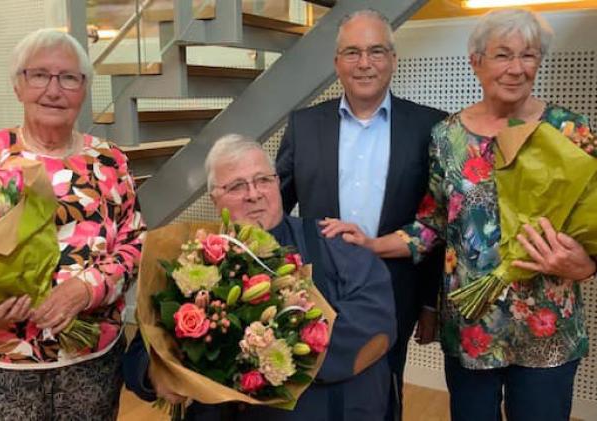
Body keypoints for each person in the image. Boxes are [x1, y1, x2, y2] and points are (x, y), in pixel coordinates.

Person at [322, 9, 596, 421]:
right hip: (471, 330)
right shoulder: (447, 136)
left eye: (529, 56)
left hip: (548, 326)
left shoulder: (571, 131)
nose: (517, 69)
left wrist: (586, 265)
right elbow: (433, 222)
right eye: (503, 55)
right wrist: (373, 243)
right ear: (476, 62)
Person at [124, 134, 397, 421]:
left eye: (263, 180)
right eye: (237, 186)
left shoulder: (332, 241)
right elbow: (141, 355)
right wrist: (157, 372)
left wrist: (271, 350)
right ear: (215, 199)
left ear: (278, 183)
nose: (253, 194)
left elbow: (377, 318)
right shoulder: (192, 263)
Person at [275, 8, 447, 419]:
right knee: (311, 392)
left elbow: (438, 222)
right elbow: (276, 208)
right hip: (315, 290)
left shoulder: (430, 127)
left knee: (383, 391)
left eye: (376, 51)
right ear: (336, 63)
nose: (364, 63)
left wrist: (430, 303)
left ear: (392, 59)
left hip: (396, 290)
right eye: (352, 52)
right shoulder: (304, 124)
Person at [0, 29, 145, 419]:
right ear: (18, 85)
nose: (54, 89)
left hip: (92, 359)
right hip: (5, 364)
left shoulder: (110, 160)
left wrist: (86, 289)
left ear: (83, 89)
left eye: (68, 77)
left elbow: (134, 244)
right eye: (39, 75)